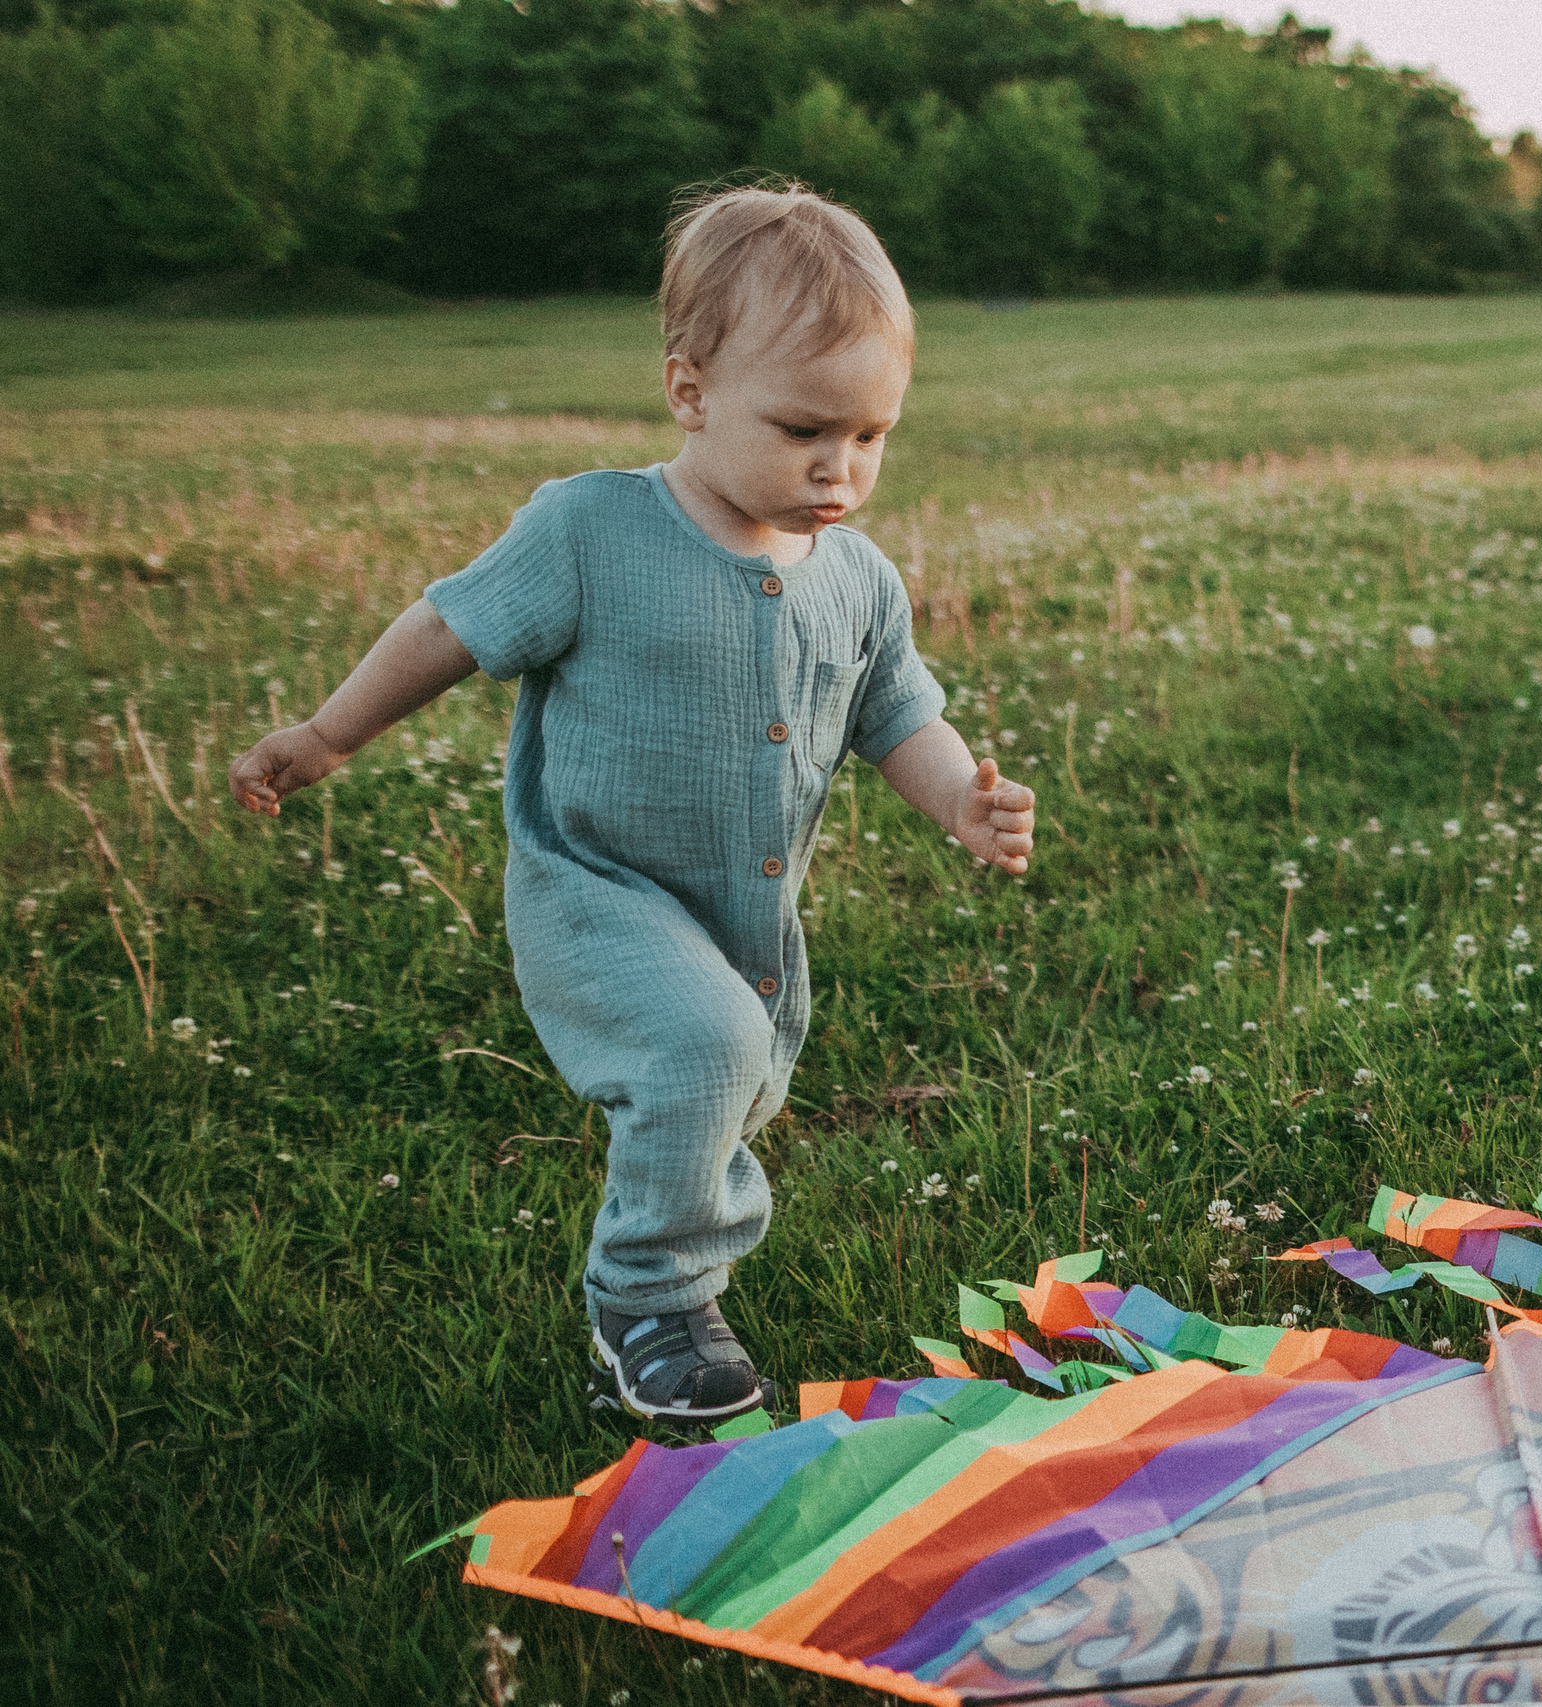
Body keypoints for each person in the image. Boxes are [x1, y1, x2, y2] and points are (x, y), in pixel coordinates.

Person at [227, 185, 1034, 1423]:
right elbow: (451, 622)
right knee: (704, 1052)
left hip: (744, 917)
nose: (841, 467)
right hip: (597, 885)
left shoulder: (857, 577)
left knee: (734, 1072)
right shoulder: (592, 529)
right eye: (805, 428)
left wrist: (960, 806)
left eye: (872, 436)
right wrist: (331, 733)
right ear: (690, 391)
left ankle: (672, 1247)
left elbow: (897, 717)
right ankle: (647, 1302)